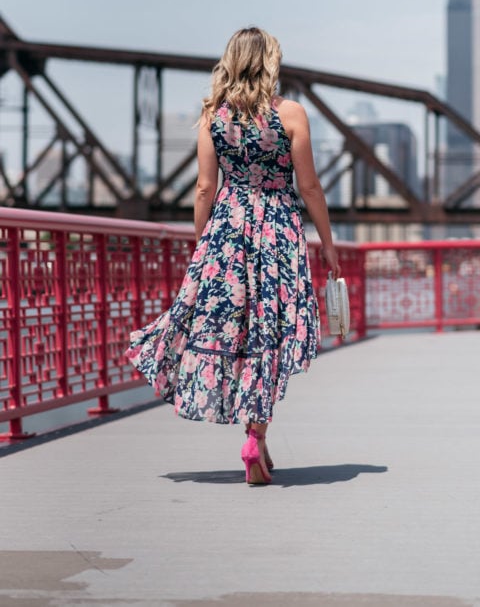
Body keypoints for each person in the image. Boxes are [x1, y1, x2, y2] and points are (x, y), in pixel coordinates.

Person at [126, 27, 340, 485]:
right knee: (269, 332)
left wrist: (204, 243)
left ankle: (255, 441)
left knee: (235, 333)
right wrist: (328, 243)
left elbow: (205, 187)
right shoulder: (292, 114)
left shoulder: (212, 118)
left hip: (227, 233)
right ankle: (255, 434)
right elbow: (309, 187)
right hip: (279, 231)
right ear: (270, 64)